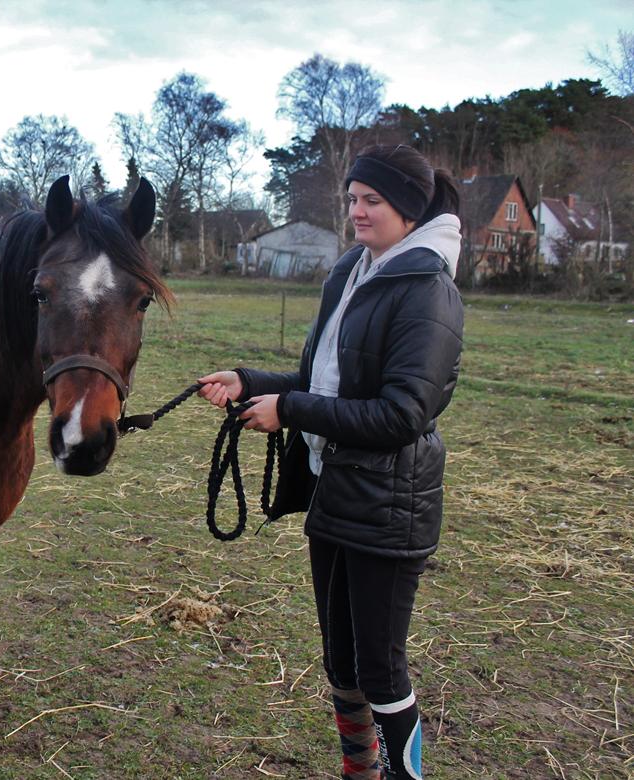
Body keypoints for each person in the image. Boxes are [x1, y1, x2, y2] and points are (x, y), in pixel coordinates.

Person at [199, 144, 463, 780]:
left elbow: (402, 414)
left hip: (389, 505)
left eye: (372, 201)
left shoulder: (426, 289)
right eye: (352, 199)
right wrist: (251, 382)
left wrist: (289, 410)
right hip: (336, 490)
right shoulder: (355, 272)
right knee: (341, 663)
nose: (357, 212)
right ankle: (360, 771)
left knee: (380, 669)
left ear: (409, 208)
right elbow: (326, 384)